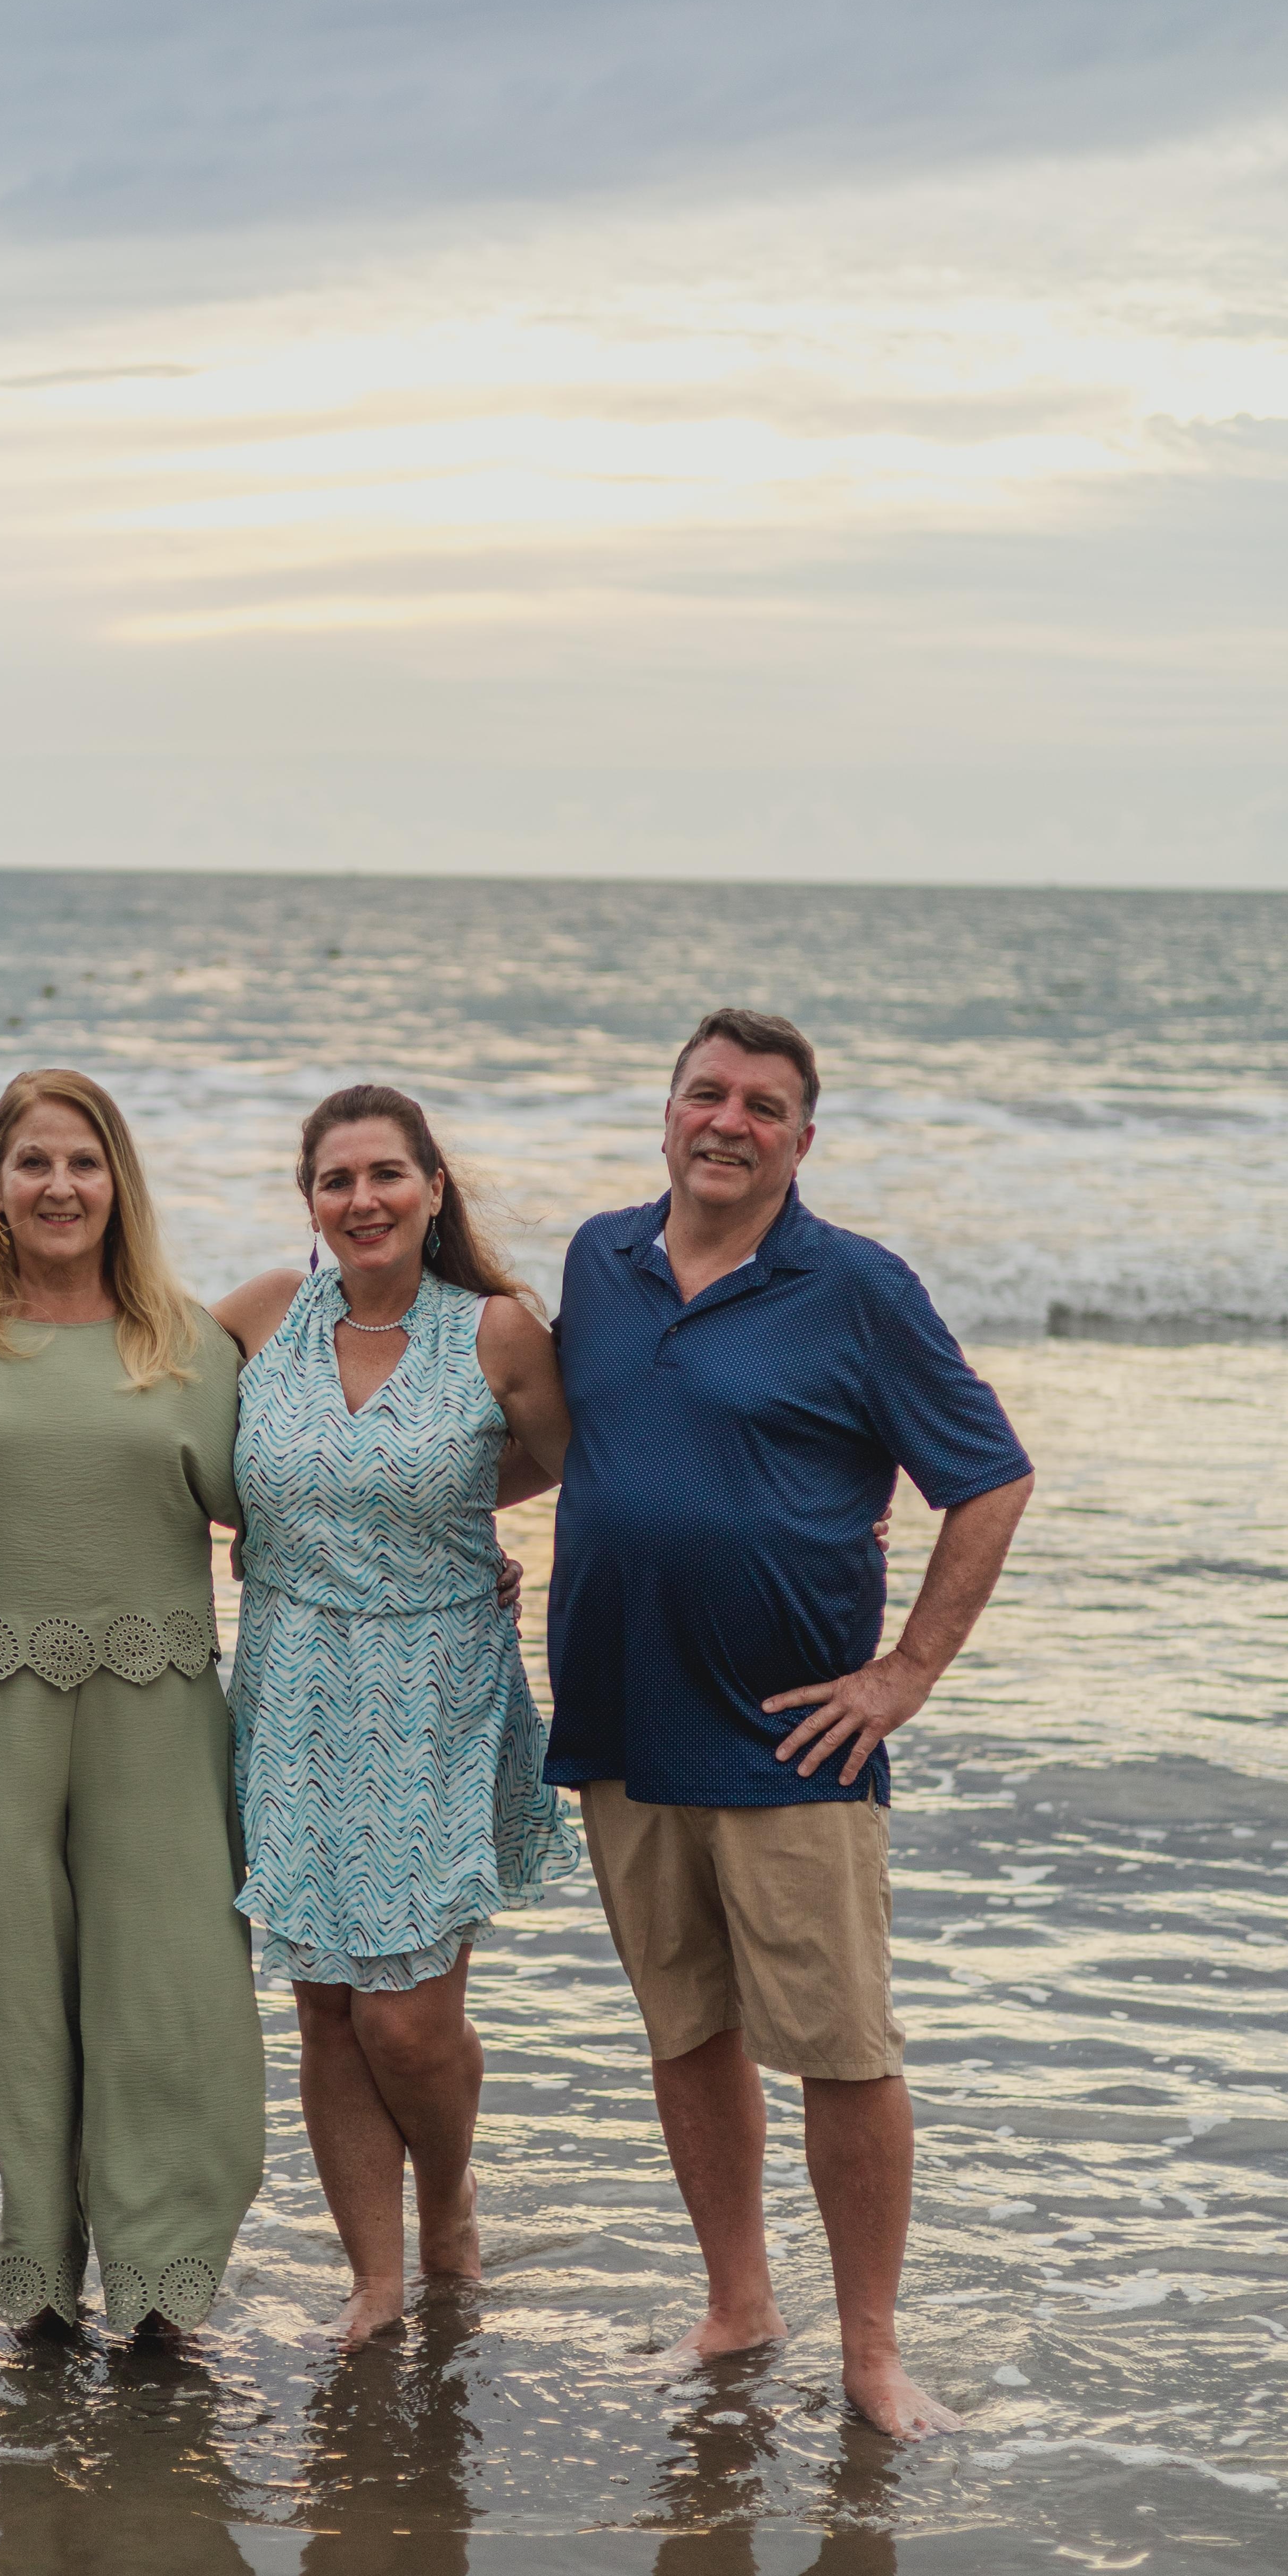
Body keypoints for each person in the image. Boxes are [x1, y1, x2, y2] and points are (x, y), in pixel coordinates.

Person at [544, 1008, 1033, 2440]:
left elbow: (986, 1478)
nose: (728, 1120)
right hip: (624, 1721)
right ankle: (737, 2301)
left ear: (800, 1141)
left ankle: (871, 2350)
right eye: (706, 1092)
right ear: (665, 1114)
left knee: (840, 2047)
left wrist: (904, 1673)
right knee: (684, 2029)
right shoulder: (598, 1259)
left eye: (763, 1105)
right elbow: (578, 1434)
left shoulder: (858, 1287)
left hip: (788, 1740)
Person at [0, 1070, 264, 2338]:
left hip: (160, 1712)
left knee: (175, 1994)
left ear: (120, 1183)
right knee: (13, 2003)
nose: (59, 1187)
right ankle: (42, 2281)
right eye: (31, 1163)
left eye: (83, 1163)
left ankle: (164, 2288)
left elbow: (293, 1499)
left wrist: (470, 1550)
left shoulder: (193, 1341)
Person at [212, 1086, 577, 2350]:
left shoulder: (497, 1332)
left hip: (434, 1683)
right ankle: (375, 2276)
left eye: (386, 1175)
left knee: (406, 2014)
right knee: (323, 2004)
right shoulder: (263, 1316)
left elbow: (568, 1462)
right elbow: (123, 1390)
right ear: (309, 1201)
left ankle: (450, 2197)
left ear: (432, 1188)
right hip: (294, 1681)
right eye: (335, 1180)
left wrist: (445, 1529)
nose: (361, 1200)